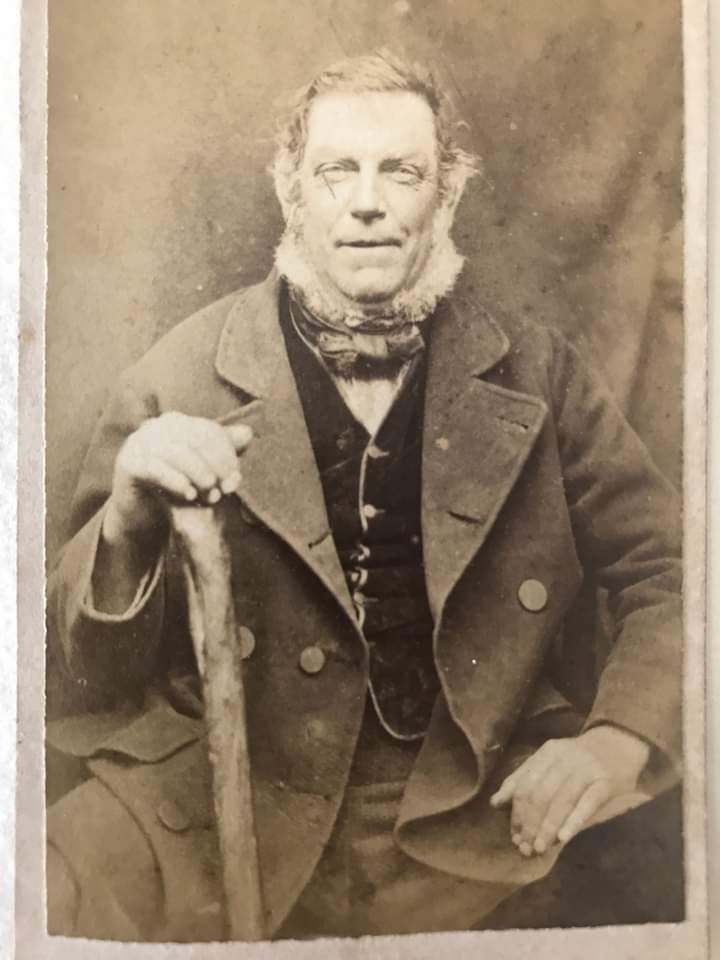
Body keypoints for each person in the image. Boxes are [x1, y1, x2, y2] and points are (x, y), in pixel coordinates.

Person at [45, 50, 682, 941]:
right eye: (337, 171)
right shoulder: (176, 376)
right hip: (218, 799)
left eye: (402, 172)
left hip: (478, 810)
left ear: (446, 199)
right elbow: (77, 677)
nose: (369, 202)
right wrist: (127, 520)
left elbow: (677, 573)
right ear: (292, 195)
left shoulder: (541, 373)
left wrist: (619, 741)